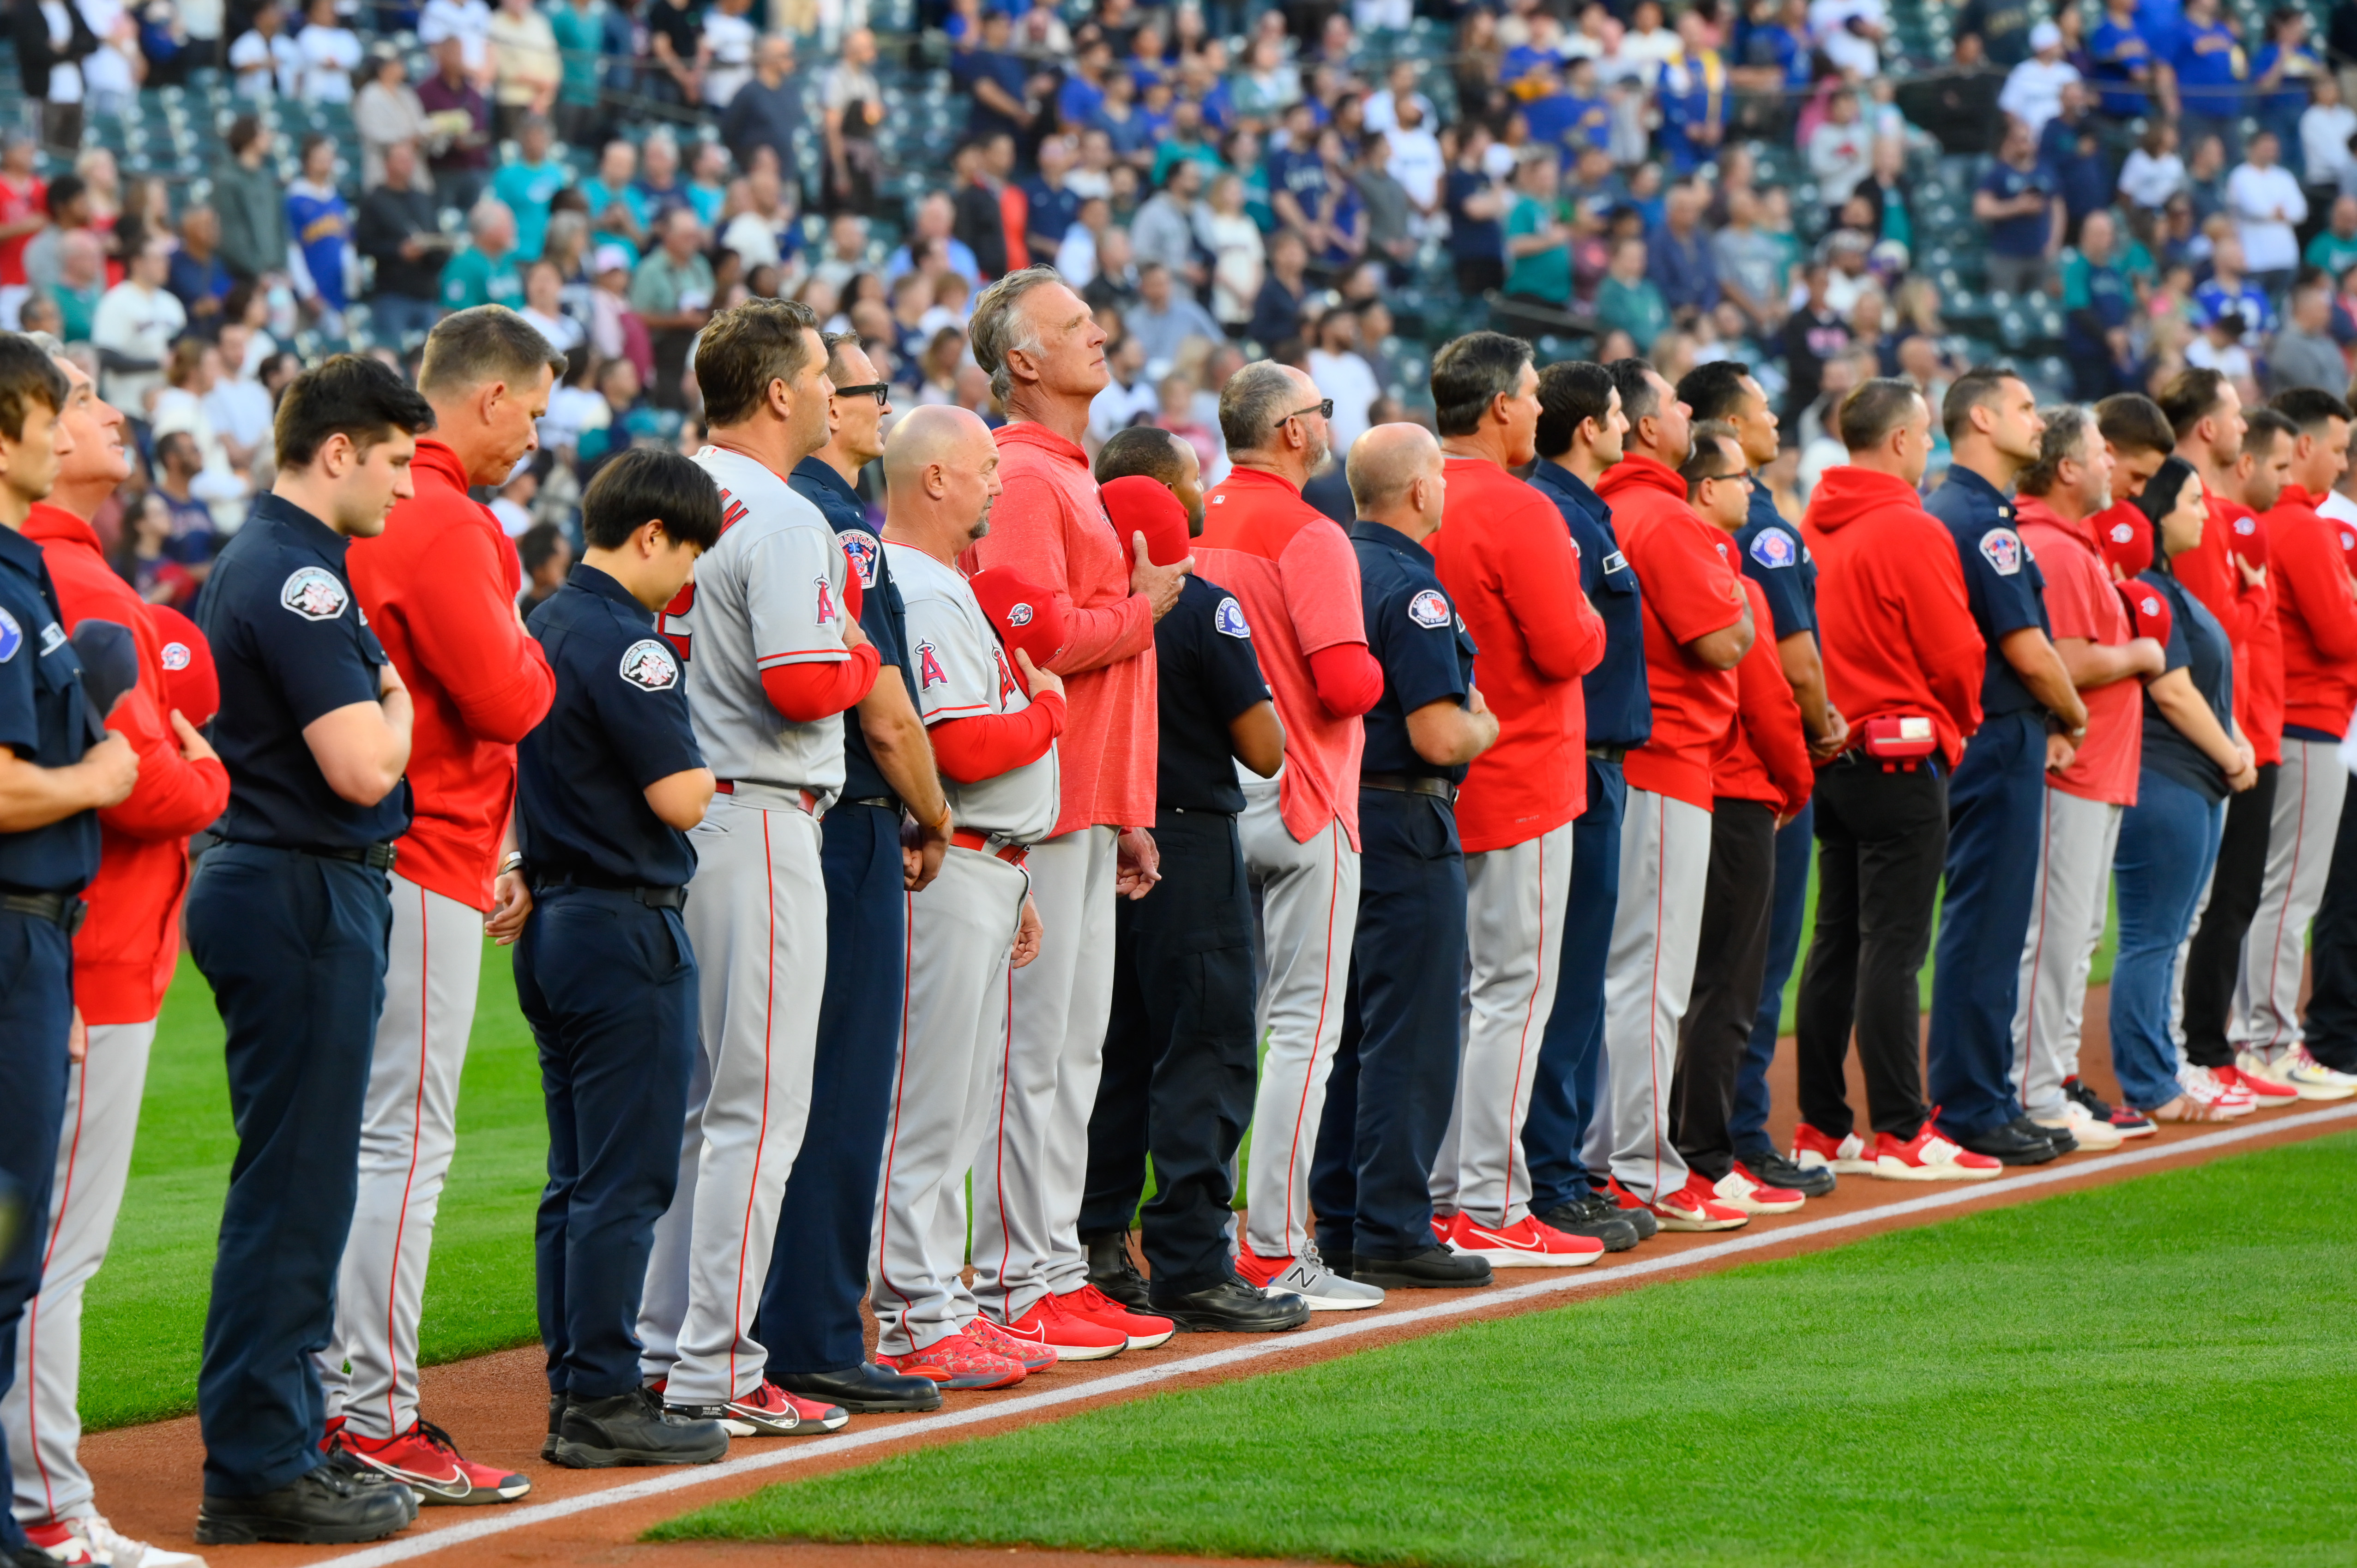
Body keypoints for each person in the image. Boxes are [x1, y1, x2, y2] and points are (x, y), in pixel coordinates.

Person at [185, 354, 434, 1545]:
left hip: (279, 878)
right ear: (338, 450)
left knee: (300, 1181)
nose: (405, 485)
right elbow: (365, 766)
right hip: (297, 883)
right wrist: (401, 701)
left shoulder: (284, 561)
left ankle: (275, 1436)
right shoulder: (300, 578)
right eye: (393, 459)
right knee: (296, 1190)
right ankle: (260, 1461)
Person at [322, 310, 561, 1502]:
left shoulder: (371, 506)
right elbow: (511, 694)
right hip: (422, 854)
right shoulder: (445, 516)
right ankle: (370, 1405)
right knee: (401, 1143)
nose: (536, 433)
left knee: (358, 1138)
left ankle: (333, 1395)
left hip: (387, 851)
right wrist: (534, 648)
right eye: (533, 406)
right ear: (490, 399)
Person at [641, 299, 873, 1436]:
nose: (836, 391)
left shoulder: (665, 491)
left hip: (674, 813)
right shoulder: (783, 517)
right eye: (824, 374)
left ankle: (662, 1344)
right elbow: (800, 680)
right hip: (759, 810)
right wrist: (862, 652)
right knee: (758, 1109)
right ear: (779, 392)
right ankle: (718, 1366)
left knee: (697, 1107)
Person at [961, 268, 1184, 1356]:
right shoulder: (1019, 472)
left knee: (1074, 1052)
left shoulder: (1067, 473)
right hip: (1038, 802)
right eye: (1073, 326)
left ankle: (1049, 1265)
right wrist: (1138, 611)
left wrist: (1129, 802)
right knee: (1032, 1050)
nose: (1099, 333)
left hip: (1088, 799)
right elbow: (1033, 633)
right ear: (1022, 362)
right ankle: (1016, 1276)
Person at [513, 447, 732, 1467]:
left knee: (574, 1176)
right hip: (622, 920)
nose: (686, 576)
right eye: (685, 553)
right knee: (624, 1177)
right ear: (651, 534)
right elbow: (680, 797)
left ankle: (575, 1384)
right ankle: (603, 1395)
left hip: (554, 913)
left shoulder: (546, 619)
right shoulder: (629, 642)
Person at [760, 332, 953, 1416]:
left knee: (761, 1089)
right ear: (824, 405)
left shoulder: (752, 508)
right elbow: (881, 706)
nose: (878, 405)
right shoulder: (835, 523)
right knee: (838, 1086)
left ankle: (744, 1322)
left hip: (777, 823)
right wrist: (934, 811)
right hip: (848, 822)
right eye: (865, 387)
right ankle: (818, 1329)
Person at [1078, 437, 1308, 1332]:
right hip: (1186, 839)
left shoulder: (1089, 606)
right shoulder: (1200, 607)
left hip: (1099, 835)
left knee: (1113, 1054)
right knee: (1206, 1048)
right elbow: (1262, 746)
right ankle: (1190, 1259)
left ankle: (1097, 1248)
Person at [868, 405, 1064, 1389]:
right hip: (948, 868)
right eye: (984, 466)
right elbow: (960, 745)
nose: (998, 482)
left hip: (988, 862)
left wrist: (1018, 873)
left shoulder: (941, 583)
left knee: (958, 1105)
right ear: (933, 478)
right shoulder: (920, 586)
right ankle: (912, 1314)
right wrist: (1047, 709)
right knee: (928, 1105)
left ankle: (938, 1301)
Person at [0, 338, 150, 1568]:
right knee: (15, 1248)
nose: (67, 429)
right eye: (54, 408)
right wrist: (106, 773)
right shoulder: (7, 587)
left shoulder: (28, 574)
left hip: (41, 939)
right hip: (12, 928)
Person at [1192, 360, 1384, 1301]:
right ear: (1293, 431)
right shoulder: (1310, 529)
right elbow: (1347, 681)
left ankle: (1199, 1245)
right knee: (1304, 1031)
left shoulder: (1201, 519)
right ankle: (1272, 1244)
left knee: (1212, 1033)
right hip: (1307, 791)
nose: (1329, 425)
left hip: (1212, 799)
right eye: (1322, 411)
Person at [1299, 420, 1504, 1290]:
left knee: (1352, 1031)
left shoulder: (1336, 563)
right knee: (1411, 1030)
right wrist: (1485, 724)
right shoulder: (1416, 588)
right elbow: (1437, 730)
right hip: (1407, 819)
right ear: (1420, 490)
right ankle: (1392, 1224)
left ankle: (1343, 1218)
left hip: (1344, 818)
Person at [1421, 331, 1609, 1267]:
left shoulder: (1411, 492)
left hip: (1427, 780)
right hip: (1522, 773)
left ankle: (1444, 1191)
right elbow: (1572, 645)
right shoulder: (1523, 507)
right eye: (1532, 393)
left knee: (1450, 996)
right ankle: (1489, 1200)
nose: (1539, 406)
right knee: (1510, 993)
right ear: (1500, 406)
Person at [1793, 378, 2003, 1183]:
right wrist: (1961, 724)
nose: (1929, 448)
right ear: (1900, 442)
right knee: (1893, 945)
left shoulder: (1810, 521)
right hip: (1901, 754)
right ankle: (1900, 1128)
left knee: (1836, 938)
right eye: (1923, 435)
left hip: (1834, 752)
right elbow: (1956, 655)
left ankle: (1820, 1124)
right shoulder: (1908, 527)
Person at [1592, 359, 1756, 1229]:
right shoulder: (1661, 514)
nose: (1683, 409)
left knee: (1615, 974)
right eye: (1667, 402)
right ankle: (1642, 1167)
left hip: (1631, 764)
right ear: (1649, 428)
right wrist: (1744, 599)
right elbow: (1724, 642)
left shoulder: (1610, 505)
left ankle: (1604, 1159)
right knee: (1649, 978)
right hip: (1667, 762)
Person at [1677, 360, 1845, 1198]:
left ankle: (1710, 1137)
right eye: (1762, 411)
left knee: (1703, 972)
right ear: (1727, 434)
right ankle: (1734, 1137)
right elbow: (1790, 660)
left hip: (1697, 775)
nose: (1777, 421)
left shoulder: (1688, 519)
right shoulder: (1758, 530)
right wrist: (1811, 746)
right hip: (1748, 772)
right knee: (1746, 971)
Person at [1920, 367, 2089, 1165]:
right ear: (1981, 418)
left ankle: (1982, 1093)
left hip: (1983, 733)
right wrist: (2074, 711)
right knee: (1986, 921)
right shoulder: (1982, 519)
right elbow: (2026, 648)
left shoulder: (1960, 508)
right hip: (1997, 733)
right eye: (2024, 407)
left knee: (1985, 919)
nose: (2037, 420)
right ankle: (1971, 1103)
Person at [1519, 361, 1652, 1254]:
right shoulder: (1557, 512)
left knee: (1570, 977)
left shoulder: (1581, 508)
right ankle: (1552, 1175)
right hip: (1573, 766)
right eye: (1615, 415)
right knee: (1560, 980)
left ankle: (1561, 1165)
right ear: (1587, 428)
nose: (1628, 427)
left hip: (1596, 762)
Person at [2006, 405, 2164, 1153]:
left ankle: (2056, 1077)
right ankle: (2035, 1087)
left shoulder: (2073, 543)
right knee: (2055, 936)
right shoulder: (2057, 548)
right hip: (2070, 769)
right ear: (2067, 468)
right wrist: (2139, 653)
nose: (2111, 464)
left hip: (2097, 767)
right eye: (2101, 453)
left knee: (2076, 935)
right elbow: (2065, 662)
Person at [2108, 457, 2263, 1120]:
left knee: (2173, 931)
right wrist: (2231, 752)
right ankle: (2148, 1080)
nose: (2206, 512)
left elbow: (2201, 685)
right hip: (2164, 776)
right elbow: (2171, 691)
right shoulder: (2144, 589)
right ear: (2161, 510)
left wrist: (2235, 743)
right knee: (2152, 934)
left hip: (2193, 779)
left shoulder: (2171, 588)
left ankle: (2166, 1064)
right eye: (2194, 501)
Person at [2236, 387, 2357, 1095]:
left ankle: (2252, 1038)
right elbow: (2341, 634)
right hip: (2307, 717)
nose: (2341, 464)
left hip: (2283, 717)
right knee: (2290, 894)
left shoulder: (2267, 523)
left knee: (2265, 890)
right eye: (2337, 449)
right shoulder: (2301, 526)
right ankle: (2272, 1040)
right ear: (2304, 447)